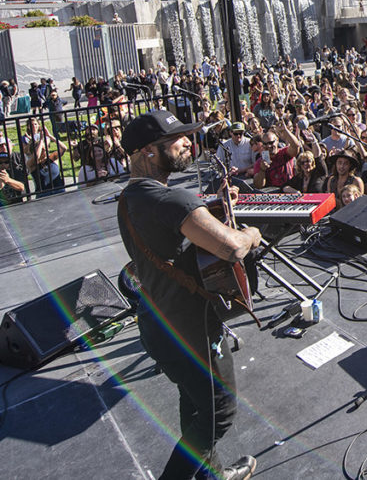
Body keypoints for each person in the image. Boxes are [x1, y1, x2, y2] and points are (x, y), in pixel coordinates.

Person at [116, 110, 261, 480]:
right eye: (178, 139)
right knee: (219, 412)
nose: (189, 144)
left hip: (157, 324)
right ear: (149, 150)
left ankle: (211, 474)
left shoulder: (130, 198)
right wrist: (252, 235)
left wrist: (211, 205)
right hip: (191, 327)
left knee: (193, 402)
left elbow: (175, 245)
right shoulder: (171, 200)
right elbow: (230, 249)